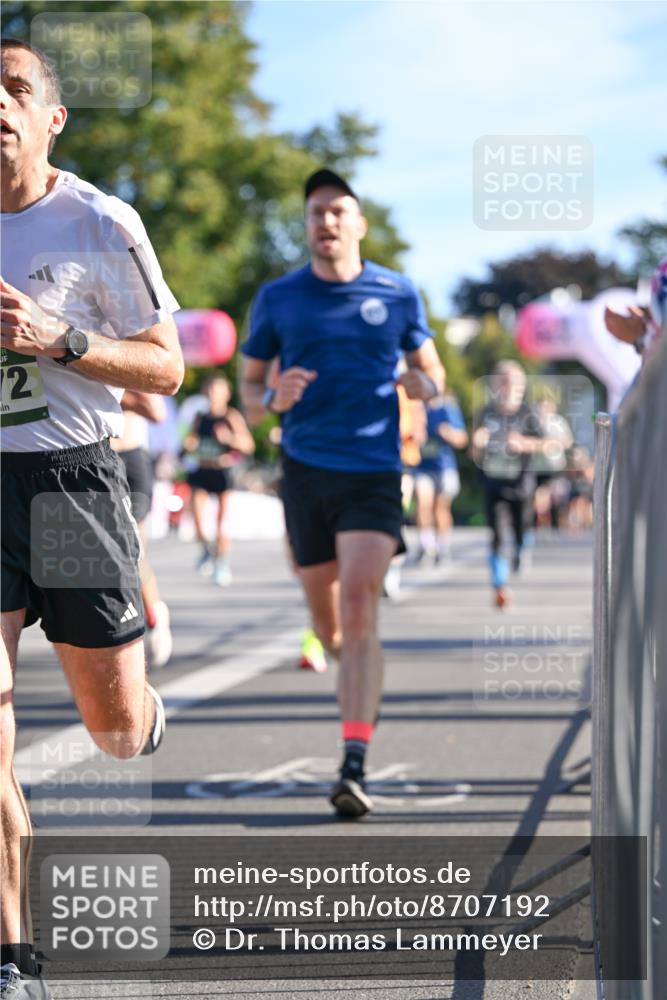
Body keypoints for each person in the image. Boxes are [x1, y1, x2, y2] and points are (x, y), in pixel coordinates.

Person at [0, 40, 183, 998]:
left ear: (49, 118)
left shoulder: (99, 220)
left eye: (16, 88)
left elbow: (166, 368)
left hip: (72, 484)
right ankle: (11, 956)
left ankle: (144, 715)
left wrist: (56, 335)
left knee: (108, 730)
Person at [240, 168, 444, 818]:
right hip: (304, 471)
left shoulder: (398, 291)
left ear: (358, 223)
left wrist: (423, 387)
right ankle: (335, 650)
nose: (325, 222)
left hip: (373, 472)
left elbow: (431, 375)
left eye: (337, 212)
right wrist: (271, 398)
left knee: (359, 603)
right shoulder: (278, 298)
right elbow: (247, 396)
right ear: (307, 226)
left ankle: (352, 764)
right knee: (329, 624)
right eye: (315, 213)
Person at [471, 361, 551, 609]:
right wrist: (477, 442)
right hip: (494, 483)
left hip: (522, 484)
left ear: (521, 386)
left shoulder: (528, 414)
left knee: (521, 529)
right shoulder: (486, 412)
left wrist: (523, 443)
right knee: (496, 533)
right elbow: (473, 450)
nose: (506, 388)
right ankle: (499, 585)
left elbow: (548, 444)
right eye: (502, 382)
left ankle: (521, 548)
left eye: (512, 383)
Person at [111, 391, 173, 668]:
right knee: (106, 555)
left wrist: (97, 381)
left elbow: (155, 410)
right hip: (96, 459)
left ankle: (154, 613)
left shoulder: (126, 349)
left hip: (132, 460)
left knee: (133, 549)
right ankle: (131, 619)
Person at [182, 374, 255, 586]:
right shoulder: (200, 417)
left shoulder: (231, 417)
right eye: (210, 390)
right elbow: (192, 438)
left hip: (222, 471)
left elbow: (248, 445)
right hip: (202, 469)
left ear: (226, 394)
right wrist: (190, 444)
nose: (213, 394)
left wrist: (229, 439)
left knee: (222, 522)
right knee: (196, 517)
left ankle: (221, 562)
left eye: (218, 390)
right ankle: (206, 550)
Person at [412, 392, 468, 563]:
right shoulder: (414, 407)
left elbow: (462, 439)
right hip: (421, 467)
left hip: (444, 467)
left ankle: (443, 547)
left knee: (440, 509)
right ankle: (426, 546)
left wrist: (448, 433)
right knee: (423, 505)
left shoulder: (447, 408)